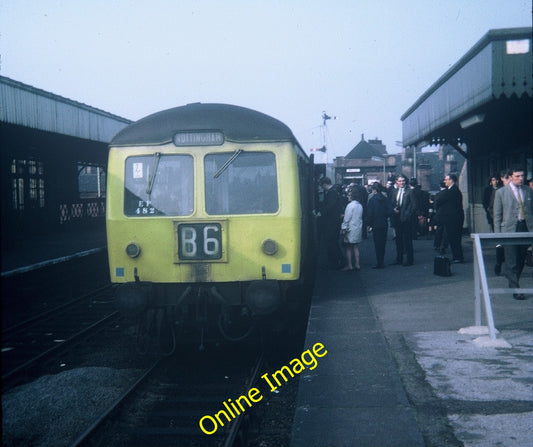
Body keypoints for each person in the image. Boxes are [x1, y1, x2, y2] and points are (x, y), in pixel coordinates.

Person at [493, 166, 533, 300]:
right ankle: (515, 288)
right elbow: (497, 215)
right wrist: (498, 235)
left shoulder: (528, 191)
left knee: (521, 259)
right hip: (509, 229)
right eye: (517, 176)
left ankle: (512, 279)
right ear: (510, 177)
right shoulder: (501, 192)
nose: (520, 178)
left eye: (522, 176)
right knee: (512, 260)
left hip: (525, 227)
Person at [434, 173, 464, 263]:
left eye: (446, 179)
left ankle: (458, 257)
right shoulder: (453, 190)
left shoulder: (451, 191)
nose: (445, 181)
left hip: (453, 219)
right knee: (453, 238)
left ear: (451, 180)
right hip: (453, 218)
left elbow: (438, 201)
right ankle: (457, 256)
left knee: (454, 238)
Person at [390, 174, 417, 266]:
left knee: (407, 240)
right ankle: (399, 258)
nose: (401, 183)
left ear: (406, 182)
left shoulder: (410, 192)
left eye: (403, 181)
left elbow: (414, 206)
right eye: (399, 181)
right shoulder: (394, 191)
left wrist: (407, 215)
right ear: (396, 182)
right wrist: (393, 209)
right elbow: (392, 203)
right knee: (398, 240)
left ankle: (410, 260)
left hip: (406, 220)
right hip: (397, 219)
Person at [318, 177, 343, 269]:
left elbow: (330, 206)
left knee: (331, 241)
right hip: (334, 221)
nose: (322, 188)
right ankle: (337, 260)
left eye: (322, 185)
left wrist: (320, 213)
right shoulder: (334, 191)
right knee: (332, 241)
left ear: (324, 184)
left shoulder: (332, 193)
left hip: (332, 221)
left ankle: (338, 260)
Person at [366, 182, 392, 269]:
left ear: (374, 190)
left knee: (377, 244)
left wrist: (368, 224)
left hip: (376, 224)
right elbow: (390, 211)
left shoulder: (372, 200)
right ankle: (382, 261)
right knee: (383, 243)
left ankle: (379, 262)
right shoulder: (385, 199)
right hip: (384, 223)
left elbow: (370, 214)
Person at [340, 189, 363, 271]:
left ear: (352, 196)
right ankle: (357, 264)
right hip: (357, 228)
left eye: (349, 195)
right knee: (356, 247)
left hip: (350, 229)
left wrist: (343, 228)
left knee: (348, 247)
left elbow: (347, 218)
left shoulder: (350, 206)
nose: (347, 196)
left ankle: (349, 265)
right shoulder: (360, 205)